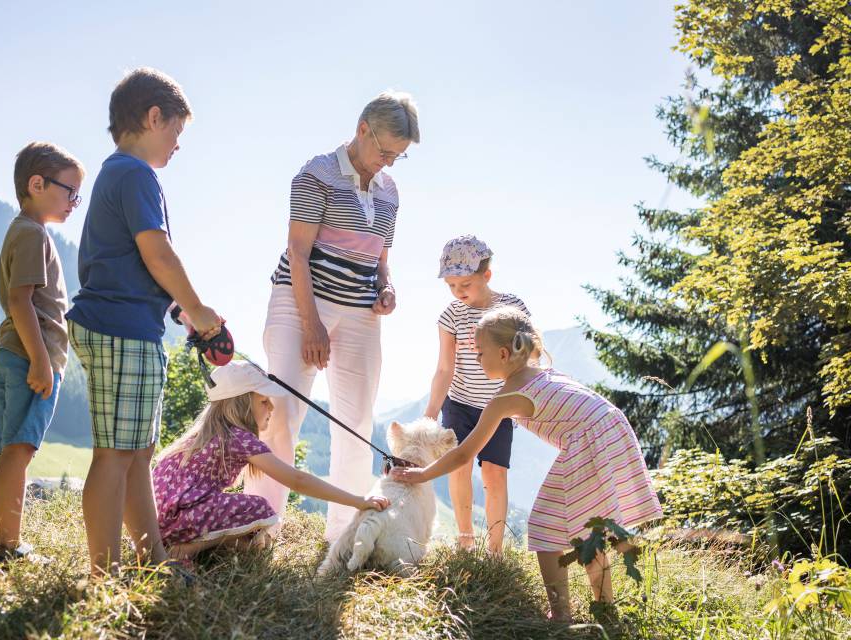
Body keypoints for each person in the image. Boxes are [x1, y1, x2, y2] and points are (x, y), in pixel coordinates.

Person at [392, 306, 662, 621]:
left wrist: (422, 473)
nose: (477, 359)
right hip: (612, 429)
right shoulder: (539, 371)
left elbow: (465, 453)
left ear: (504, 354)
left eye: (480, 353)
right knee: (592, 526)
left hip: (590, 441)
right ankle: (605, 607)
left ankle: (561, 615)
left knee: (544, 528)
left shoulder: (504, 398)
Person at [66, 67, 223, 576]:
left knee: (137, 451)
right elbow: (156, 252)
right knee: (115, 453)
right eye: (176, 131)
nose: (178, 143)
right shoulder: (134, 174)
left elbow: (132, 263)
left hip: (133, 324)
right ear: (154, 117)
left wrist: (175, 307)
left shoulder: (122, 174)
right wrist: (199, 311)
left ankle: (151, 559)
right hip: (120, 328)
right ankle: (104, 574)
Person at [246, 90, 420, 541]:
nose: (388, 163)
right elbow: (297, 253)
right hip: (301, 302)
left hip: (360, 313)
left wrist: (386, 287)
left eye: (397, 157)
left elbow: (381, 257)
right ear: (362, 129)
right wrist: (312, 325)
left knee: (357, 421)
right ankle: (258, 528)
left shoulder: (389, 191)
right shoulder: (315, 175)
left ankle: (344, 537)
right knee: (279, 414)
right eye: (384, 151)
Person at [153, 362, 389, 560]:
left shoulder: (197, 438)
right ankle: (183, 551)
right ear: (242, 404)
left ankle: (197, 546)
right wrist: (358, 501)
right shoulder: (240, 438)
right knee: (259, 509)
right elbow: (297, 480)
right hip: (182, 518)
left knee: (252, 538)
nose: (272, 408)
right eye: (264, 401)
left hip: (156, 521)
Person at [0, 141, 84, 563]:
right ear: (37, 184)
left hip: (16, 353)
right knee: (19, 450)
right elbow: (20, 301)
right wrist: (42, 361)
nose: (74, 203)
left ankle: (7, 540)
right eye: (70, 191)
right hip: (29, 357)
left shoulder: (27, 231)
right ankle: (8, 546)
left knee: (14, 449)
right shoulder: (30, 233)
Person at [424, 235, 530, 554]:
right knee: (459, 466)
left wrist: (523, 403)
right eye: (452, 286)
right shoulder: (451, 315)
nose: (459, 292)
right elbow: (445, 368)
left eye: (465, 284)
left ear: (487, 275)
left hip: (500, 407)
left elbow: (527, 359)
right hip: (459, 403)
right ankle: (465, 539)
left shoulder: (513, 309)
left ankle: (494, 550)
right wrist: (431, 411)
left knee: (495, 474)